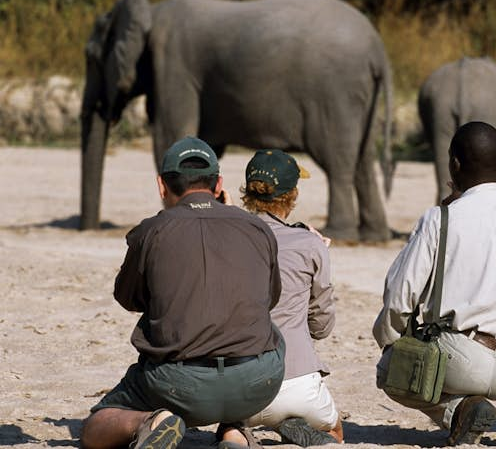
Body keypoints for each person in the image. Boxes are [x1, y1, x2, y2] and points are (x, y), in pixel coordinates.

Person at [80, 136, 284, 449]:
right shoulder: (257, 228)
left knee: (96, 427)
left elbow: (128, 299)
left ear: (162, 186)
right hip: (258, 383)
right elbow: (270, 299)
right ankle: (234, 432)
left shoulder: (151, 231)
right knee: (262, 329)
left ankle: (151, 421)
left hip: (178, 387)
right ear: (218, 185)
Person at [373, 121, 496, 449]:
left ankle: (459, 411)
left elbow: (400, 295)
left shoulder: (440, 219)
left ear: (454, 164)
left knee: (389, 369)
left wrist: (389, 341)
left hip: (470, 363)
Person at [238, 149, 344, 446]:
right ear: (292, 194)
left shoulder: (230, 239)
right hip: (298, 380)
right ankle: (290, 424)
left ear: (248, 190)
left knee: (231, 426)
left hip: (241, 386)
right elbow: (322, 328)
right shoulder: (310, 243)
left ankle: (237, 433)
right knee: (335, 432)